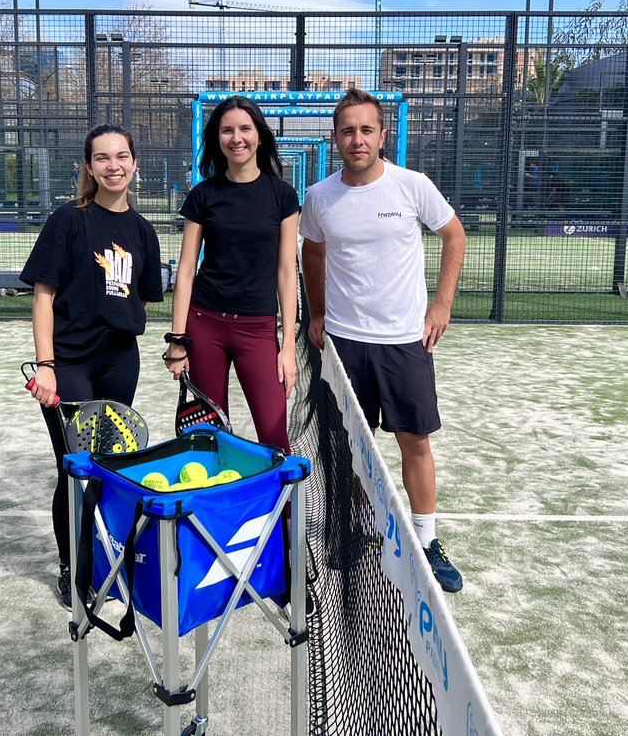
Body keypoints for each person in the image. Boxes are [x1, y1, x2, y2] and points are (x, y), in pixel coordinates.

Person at [299, 88, 467, 593]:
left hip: (403, 343)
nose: (357, 139)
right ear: (335, 138)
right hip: (345, 344)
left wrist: (441, 305)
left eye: (366, 129)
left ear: (381, 134)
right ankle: (350, 532)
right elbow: (313, 251)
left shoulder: (412, 186)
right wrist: (319, 311)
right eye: (348, 131)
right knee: (348, 450)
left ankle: (426, 541)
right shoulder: (320, 196)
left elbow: (454, 237)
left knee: (414, 442)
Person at [20, 124, 164, 606]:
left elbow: (144, 295)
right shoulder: (68, 221)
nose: (113, 165)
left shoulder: (144, 231)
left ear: (135, 163)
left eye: (122, 156)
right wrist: (45, 364)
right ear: (88, 167)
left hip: (121, 360)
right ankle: (73, 568)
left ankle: (106, 559)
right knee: (76, 468)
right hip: (70, 364)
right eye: (102, 158)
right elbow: (44, 295)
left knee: (111, 466)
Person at [164, 95, 299, 453]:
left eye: (244, 128)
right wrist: (178, 340)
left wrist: (287, 347)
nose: (236, 138)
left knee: (274, 437)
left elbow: (287, 273)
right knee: (209, 439)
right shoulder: (203, 195)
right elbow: (187, 272)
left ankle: (281, 512)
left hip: (259, 329)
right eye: (227, 130)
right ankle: (212, 510)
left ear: (259, 135)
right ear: (217, 139)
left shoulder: (283, 196)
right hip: (205, 325)